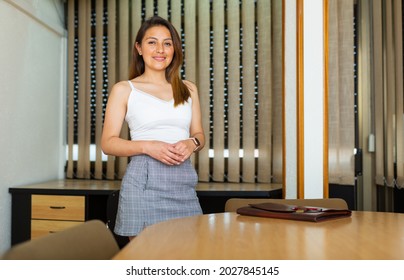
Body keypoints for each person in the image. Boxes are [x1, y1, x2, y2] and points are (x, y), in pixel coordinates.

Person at [101, 16, 205, 240]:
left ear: (174, 49)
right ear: (139, 48)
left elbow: (199, 135)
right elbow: (108, 143)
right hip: (143, 185)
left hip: (183, 182)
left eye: (167, 43)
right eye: (152, 42)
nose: (160, 49)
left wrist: (192, 143)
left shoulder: (189, 89)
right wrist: (148, 146)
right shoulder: (124, 89)